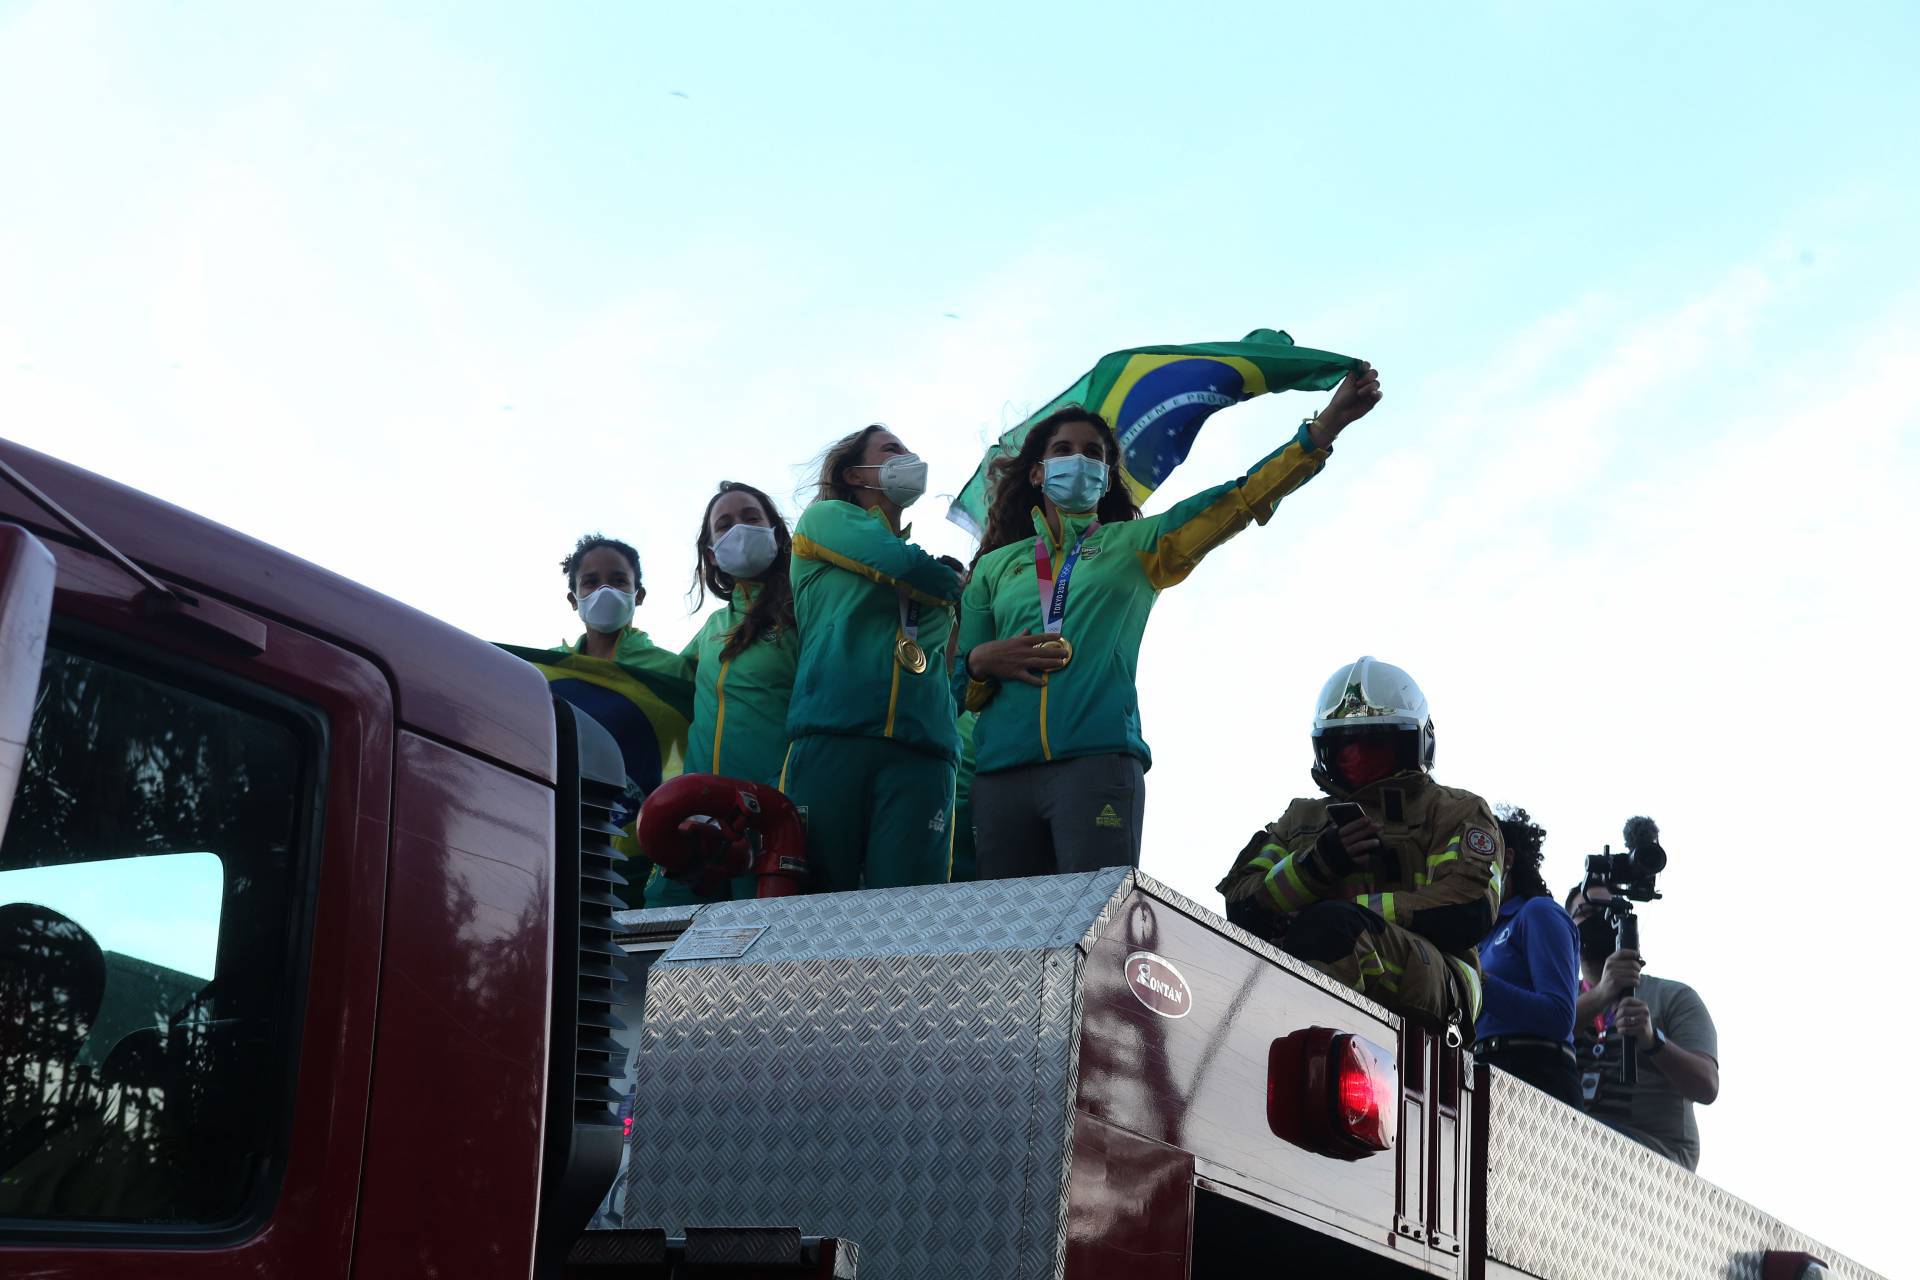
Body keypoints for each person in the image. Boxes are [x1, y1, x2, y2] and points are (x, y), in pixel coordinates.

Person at [959, 362, 1381, 878]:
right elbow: (956, 675)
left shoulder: (1136, 546)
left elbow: (1239, 499)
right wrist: (982, 660)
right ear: (1036, 472)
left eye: (1094, 454)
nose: (1079, 460)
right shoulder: (997, 567)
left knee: (1092, 939)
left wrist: (1322, 431)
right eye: (1063, 451)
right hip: (1001, 775)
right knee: (1009, 943)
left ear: (1107, 476)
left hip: (1097, 763)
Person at [1216, 656, 1500, 1033]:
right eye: (1346, 750)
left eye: (1377, 748)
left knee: (1332, 929)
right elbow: (1241, 904)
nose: (1359, 761)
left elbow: (1468, 908)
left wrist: (1353, 911)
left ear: (1416, 742)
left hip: (1439, 982)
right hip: (1313, 962)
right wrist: (1318, 864)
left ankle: (1311, 1049)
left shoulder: (1454, 811)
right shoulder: (1301, 819)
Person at [782, 424, 963, 892]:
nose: (908, 456)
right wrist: (949, 583)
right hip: (834, 738)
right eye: (891, 449)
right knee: (813, 912)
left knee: (910, 922)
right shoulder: (825, 521)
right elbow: (907, 568)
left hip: (923, 749)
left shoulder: (924, 561)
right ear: (855, 474)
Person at [499, 534, 695, 905]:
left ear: (638, 594)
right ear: (574, 599)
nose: (605, 589)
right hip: (556, 842)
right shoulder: (542, 674)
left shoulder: (672, 673)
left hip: (642, 851)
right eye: (591, 581)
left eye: (619, 580)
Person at [642, 483, 803, 907]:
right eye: (724, 524)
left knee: (763, 951)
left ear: (776, 533)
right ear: (712, 553)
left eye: (751, 517)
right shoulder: (711, 629)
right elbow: (656, 680)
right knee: (664, 942)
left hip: (771, 816)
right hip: (695, 822)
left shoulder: (804, 609)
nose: (739, 529)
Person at [1568, 866, 1719, 1169]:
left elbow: (1706, 1085)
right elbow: (1540, 1038)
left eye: (1606, 910)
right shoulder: (1557, 1002)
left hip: (1653, 1159)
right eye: (1584, 911)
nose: (1595, 918)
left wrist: (1653, 1042)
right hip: (1572, 1149)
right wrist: (1602, 995)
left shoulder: (1674, 998)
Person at [1473, 807, 1580, 1104]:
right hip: (1485, 1071)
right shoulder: (1484, 935)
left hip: (1536, 1076)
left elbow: (1559, 1016)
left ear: (1506, 860)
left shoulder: (1537, 912)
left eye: (1479, 855)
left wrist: (1476, 982)